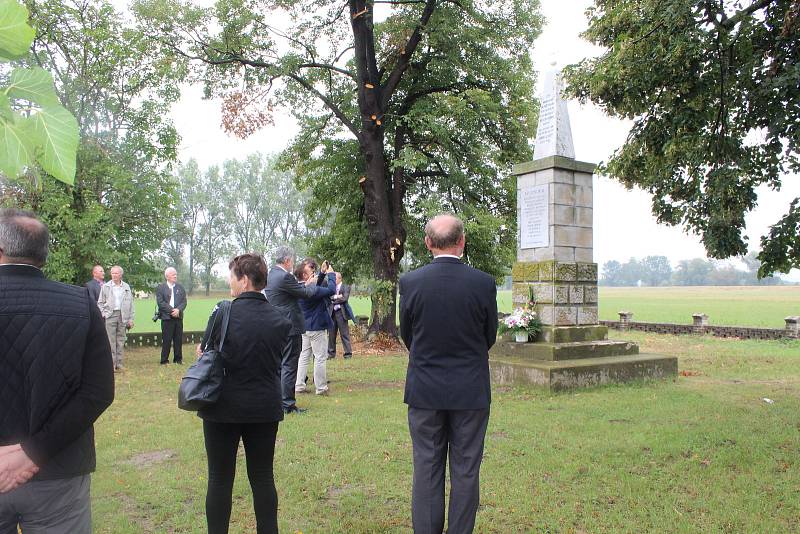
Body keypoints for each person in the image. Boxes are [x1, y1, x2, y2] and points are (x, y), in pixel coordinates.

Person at [0, 208, 115, 532]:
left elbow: (98, 391)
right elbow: (98, 392)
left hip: (57, 472)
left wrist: (30, 454)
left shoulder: (81, 304)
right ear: (44, 256)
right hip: (60, 469)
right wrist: (35, 453)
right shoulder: (80, 304)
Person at [399, 214, 498, 534]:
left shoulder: (411, 282)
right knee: (466, 469)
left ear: (428, 243)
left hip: (426, 388)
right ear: (462, 241)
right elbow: (489, 336)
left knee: (427, 469)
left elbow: (408, 335)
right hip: (469, 388)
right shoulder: (483, 283)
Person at [197, 253, 291, 534]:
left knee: (219, 479)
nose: (230, 283)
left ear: (245, 280)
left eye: (232, 277)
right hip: (264, 406)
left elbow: (204, 352)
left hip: (221, 406)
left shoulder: (222, 313)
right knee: (263, 477)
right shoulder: (280, 319)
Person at [264, 245, 333, 414]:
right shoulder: (285, 277)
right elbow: (305, 293)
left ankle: (279, 399)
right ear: (287, 260)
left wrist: (310, 283)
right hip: (290, 326)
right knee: (289, 364)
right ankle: (287, 404)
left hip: (276, 325)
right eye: (292, 261)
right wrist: (310, 284)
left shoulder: (271, 275)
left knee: (282, 364)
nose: (293, 264)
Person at [295, 259, 337, 396]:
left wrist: (322, 273)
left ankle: (299, 386)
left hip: (304, 327)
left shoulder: (298, 288)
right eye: (311, 273)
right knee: (320, 357)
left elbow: (316, 286)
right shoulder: (312, 290)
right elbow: (330, 290)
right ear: (305, 276)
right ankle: (321, 388)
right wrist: (331, 274)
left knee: (304, 356)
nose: (314, 274)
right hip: (316, 327)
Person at [97, 265, 135, 371]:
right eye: (112, 273)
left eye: (116, 273)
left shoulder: (126, 287)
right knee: (110, 341)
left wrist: (131, 319)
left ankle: (119, 363)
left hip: (123, 315)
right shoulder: (106, 286)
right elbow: (100, 303)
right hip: (110, 315)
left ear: (121, 275)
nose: (114, 275)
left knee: (121, 340)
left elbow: (131, 304)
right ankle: (111, 364)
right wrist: (104, 314)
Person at [156, 266, 188, 364]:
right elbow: (160, 303)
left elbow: (184, 301)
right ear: (167, 276)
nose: (175, 276)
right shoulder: (161, 288)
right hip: (166, 318)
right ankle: (164, 360)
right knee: (167, 339)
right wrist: (172, 310)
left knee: (178, 339)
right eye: (173, 274)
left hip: (178, 317)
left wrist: (178, 310)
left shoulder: (180, 287)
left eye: (176, 274)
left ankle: (178, 359)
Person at [327, 272, 355, 360]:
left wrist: (334, 299)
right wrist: (337, 296)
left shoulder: (346, 286)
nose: (332, 280)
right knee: (331, 335)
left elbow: (344, 298)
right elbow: (328, 297)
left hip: (341, 313)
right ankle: (331, 354)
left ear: (339, 279)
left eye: (334, 279)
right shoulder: (331, 288)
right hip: (332, 313)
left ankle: (348, 354)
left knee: (344, 334)